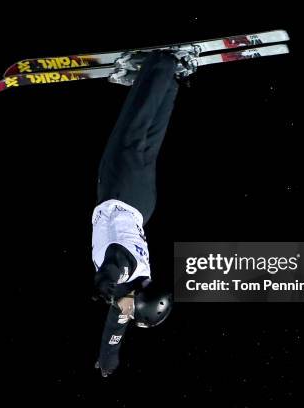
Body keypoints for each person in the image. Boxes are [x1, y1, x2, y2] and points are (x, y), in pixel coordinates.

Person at [92, 50, 196, 377]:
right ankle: (159, 64)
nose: (123, 307)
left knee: (150, 140)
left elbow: (117, 328)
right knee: (132, 130)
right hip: (120, 191)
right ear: (136, 296)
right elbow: (108, 273)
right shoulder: (122, 270)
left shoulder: (140, 279)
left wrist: (108, 362)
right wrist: (106, 290)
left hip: (143, 203)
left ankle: (172, 79)